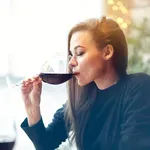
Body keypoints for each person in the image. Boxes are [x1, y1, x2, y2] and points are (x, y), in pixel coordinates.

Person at [21, 16, 150, 150]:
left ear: (107, 52)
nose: (71, 62)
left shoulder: (139, 88)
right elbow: (46, 145)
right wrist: (33, 108)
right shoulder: (81, 99)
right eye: (71, 55)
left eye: (80, 53)